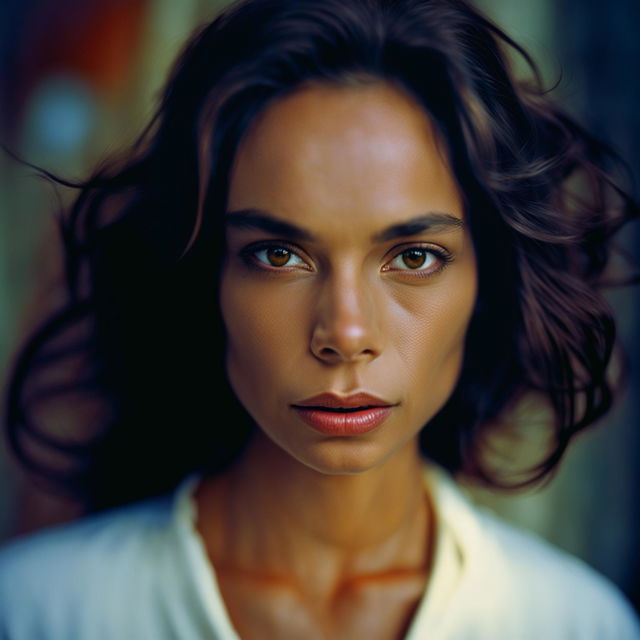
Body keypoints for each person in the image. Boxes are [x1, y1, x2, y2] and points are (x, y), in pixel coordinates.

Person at [0, 0, 639, 637]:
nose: (346, 334)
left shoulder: (574, 623)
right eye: (279, 255)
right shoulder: (39, 611)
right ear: (206, 277)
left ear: (491, 280)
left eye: (414, 257)